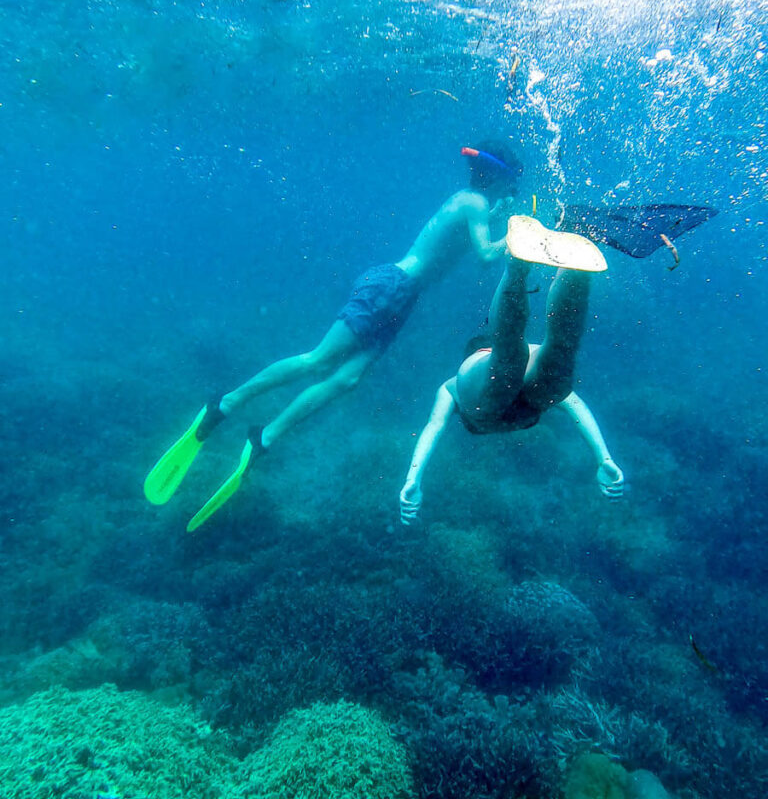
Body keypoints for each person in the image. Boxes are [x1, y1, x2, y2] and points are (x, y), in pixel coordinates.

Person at [145, 143, 523, 530]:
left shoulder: (473, 203)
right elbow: (486, 256)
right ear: (498, 176)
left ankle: (264, 437)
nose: (511, 190)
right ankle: (223, 405)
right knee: (319, 360)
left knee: (347, 378)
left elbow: (467, 242)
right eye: (511, 182)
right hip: (392, 287)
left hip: (402, 297)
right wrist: (518, 233)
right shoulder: (474, 203)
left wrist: (500, 220)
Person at [399, 216, 624, 525]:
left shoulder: (453, 387)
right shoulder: (455, 386)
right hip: (525, 395)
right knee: (557, 351)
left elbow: (433, 428)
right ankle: (573, 274)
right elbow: (576, 406)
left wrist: (414, 477)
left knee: (512, 359)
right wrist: (604, 457)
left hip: (490, 392)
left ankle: (520, 266)